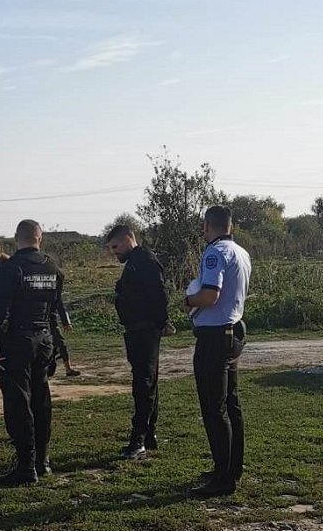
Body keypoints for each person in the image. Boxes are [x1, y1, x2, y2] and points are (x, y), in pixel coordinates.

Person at [0, 220, 65, 485]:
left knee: (18, 402)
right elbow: (54, 310)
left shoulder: (10, 268)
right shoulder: (53, 268)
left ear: (16, 238)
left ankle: (25, 466)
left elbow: (0, 310)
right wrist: (55, 344)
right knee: (41, 399)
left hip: (18, 341)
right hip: (44, 339)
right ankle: (42, 461)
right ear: (39, 238)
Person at [184, 206, 252, 497]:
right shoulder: (241, 252)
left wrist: (189, 301)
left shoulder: (215, 253)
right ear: (230, 226)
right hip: (233, 332)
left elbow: (210, 295)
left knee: (214, 408)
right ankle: (232, 468)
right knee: (230, 404)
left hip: (214, 337)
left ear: (207, 226)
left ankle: (223, 478)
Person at [106, 222, 173, 459]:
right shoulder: (135, 261)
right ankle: (149, 434)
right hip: (137, 330)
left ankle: (139, 440)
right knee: (147, 382)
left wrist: (161, 323)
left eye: (115, 247)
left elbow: (159, 294)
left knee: (143, 385)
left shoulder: (145, 260)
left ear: (127, 239)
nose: (114, 252)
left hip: (145, 331)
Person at [51, 303, 80, 378]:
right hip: (35, 323)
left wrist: (66, 322)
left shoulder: (53, 295)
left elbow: (60, 306)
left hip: (51, 322)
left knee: (61, 344)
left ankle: (68, 369)